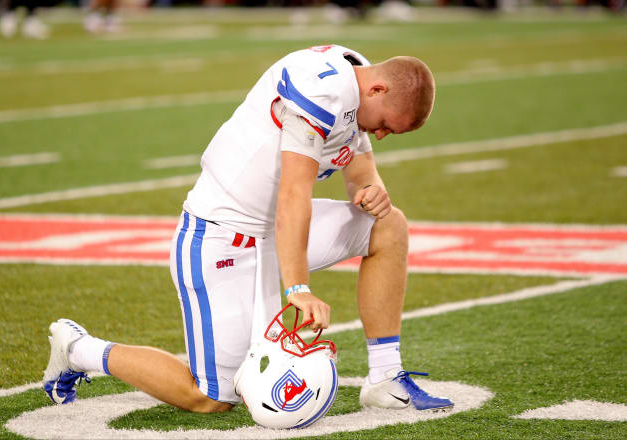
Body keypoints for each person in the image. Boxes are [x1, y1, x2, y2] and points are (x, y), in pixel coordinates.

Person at [43, 44, 454, 414]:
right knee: (210, 398)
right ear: (378, 90)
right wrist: (298, 288)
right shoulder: (322, 88)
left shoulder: (359, 78)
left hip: (272, 235)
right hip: (222, 235)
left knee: (389, 225)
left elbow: (360, 170)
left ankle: (385, 377)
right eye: (385, 124)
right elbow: (293, 196)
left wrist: (372, 192)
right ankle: (79, 349)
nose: (379, 135)